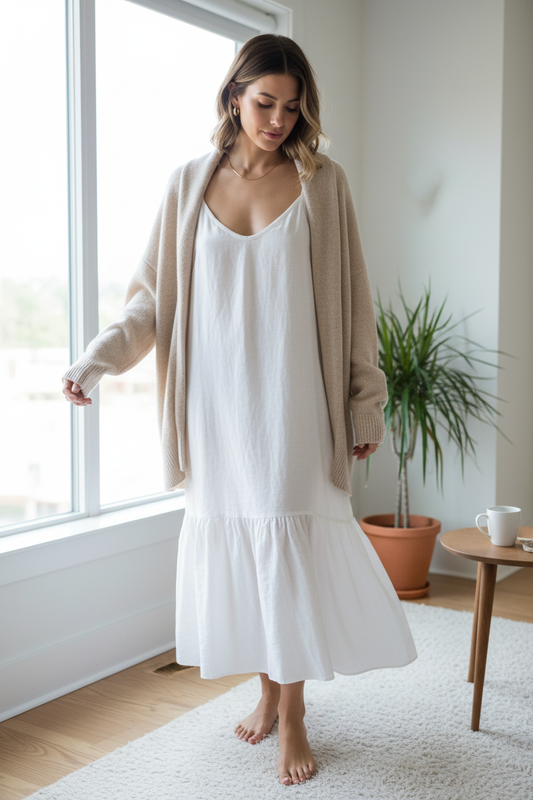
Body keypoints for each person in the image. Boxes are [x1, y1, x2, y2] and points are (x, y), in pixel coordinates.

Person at [62, 34, 417, 787]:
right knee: (249, 564)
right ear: (232, 97)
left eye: (291, 108)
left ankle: (293, 715)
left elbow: (356, 307)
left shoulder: (324, 183)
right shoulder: (186, 185)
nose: (278, 120)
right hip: (217, 411)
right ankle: (265, 693)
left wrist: (363, 405)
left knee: (284, 561)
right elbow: (151, 302)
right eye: (264, 103)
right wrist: (96, 359)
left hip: (295, 406)